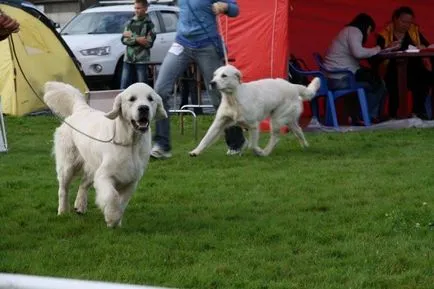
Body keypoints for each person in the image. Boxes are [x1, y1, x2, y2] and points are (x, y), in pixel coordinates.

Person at [150, 0, 245, 159]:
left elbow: (235, 10)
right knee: (159, 91)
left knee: (218, 96)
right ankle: (162, 146)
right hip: (181, 43)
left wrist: (226, 7)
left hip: (207, 45)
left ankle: (236, 142)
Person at [323, 13, 388, 124]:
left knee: (372, 79)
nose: (368, 34)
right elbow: (358, 53)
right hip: (342, 76)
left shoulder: (347, 31)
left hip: (333, 75)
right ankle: (365, 116)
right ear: (367, 27)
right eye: (369, 30)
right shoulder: (355, 31)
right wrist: (377, 49)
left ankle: (359, 116)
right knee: (379, 84)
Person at [376, 6, 433, 120]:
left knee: (425, 78)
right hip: (392, 70)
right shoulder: (384, 34)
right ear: (395, 19)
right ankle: (395, 113)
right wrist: (389, 47)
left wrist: (422, 46)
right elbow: (378, 55)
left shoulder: (414, 31)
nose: (406, 25)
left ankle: (419, 111)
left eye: (409, 22)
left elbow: (427, 46)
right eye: (403, 21)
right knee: (395, 83)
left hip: (414, 69)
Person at [120, 0, 156, 89]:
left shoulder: (149, 25)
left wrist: (131, 37)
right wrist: (137, 39)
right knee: (124, 85)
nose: (136, 10)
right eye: (135, 8)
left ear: (145, 8)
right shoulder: (130, 22)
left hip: (142, 59)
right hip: (128, 59)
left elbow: (148, 43)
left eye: (139, 8)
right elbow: (124, 40)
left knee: (142, 87)